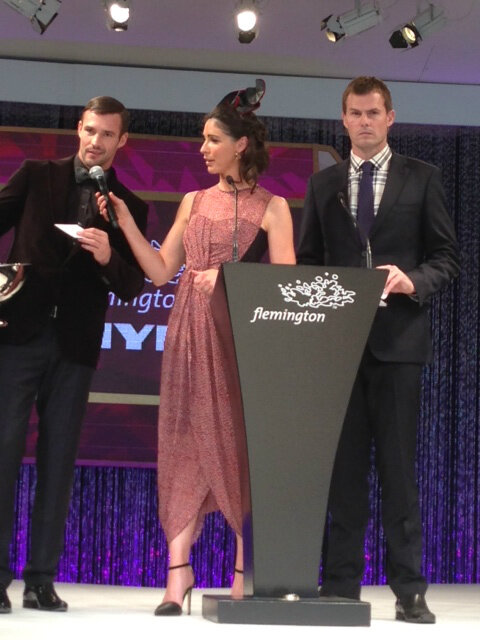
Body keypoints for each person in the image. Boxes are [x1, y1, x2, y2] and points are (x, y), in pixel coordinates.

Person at [97, 82, 296, 615]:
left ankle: (240, 571)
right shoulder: (192, 200)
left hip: (241, 339)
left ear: (241, 146)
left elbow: (286, 291)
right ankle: (177, 573)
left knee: (236, 446)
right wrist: (126, 225)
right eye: (203, 140)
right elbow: (162, 272)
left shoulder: (275, 208)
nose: (202, 149)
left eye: (212, 140)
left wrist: (231, 284)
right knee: (184, 439)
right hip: (189, 332)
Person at [297, 76, 459, 624]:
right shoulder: (323, 186)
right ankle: (341, 584)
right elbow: (307, 263)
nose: (364, 121)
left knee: (397, 470)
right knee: (342, 471)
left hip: (398, 345)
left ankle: (409, 588)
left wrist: (412, 281)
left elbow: (446, 258)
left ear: (391, 117)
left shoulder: (423, 178)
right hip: (337, 347)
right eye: (354, 113)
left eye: (373, 112)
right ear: (342, 119)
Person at [0, 96, 148, 614]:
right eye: (89, 131)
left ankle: (41, 579)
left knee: (58, 462)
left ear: (121, 141)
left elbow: (134, 284)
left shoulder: (130, 204)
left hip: (77, 347)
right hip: (18, 337)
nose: (95, 141)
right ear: (77, 131)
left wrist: (110, 258)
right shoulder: (36, 175)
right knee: (2, 453)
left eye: (107, 135)